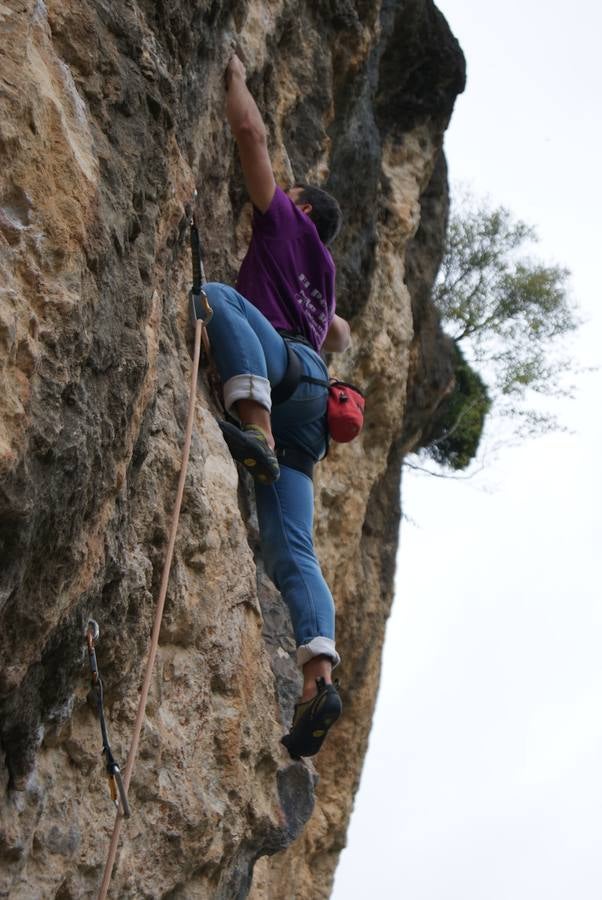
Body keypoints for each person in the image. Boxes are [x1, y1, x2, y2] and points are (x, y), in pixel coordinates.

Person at [200, 54, 351, 758]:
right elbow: (341, 332)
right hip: (314, 412)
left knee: (216, 297)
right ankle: (319, 676)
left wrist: (233, 72)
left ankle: (248, 425)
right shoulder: (323, 272)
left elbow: (251, 135)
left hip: (281, 374)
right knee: (294, 548)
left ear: (304, 208)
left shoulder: (288, 223)